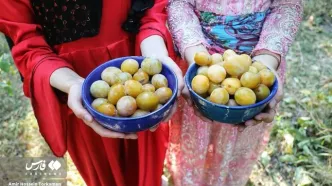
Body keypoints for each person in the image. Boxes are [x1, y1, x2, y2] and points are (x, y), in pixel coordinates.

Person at [0, 0, 184, 185]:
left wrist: (156, 53)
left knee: (148, 158)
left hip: (137, 59)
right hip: (75, 85)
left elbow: (151, 7)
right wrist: (73, 84)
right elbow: (28, 46)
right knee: (103, 169)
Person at [166, 0, 303, 185]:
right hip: (200, 64)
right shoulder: (201, 72)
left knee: (236, 145)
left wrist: (267, 60)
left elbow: (287, 5)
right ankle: (188, 180)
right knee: (194, 142)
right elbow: (179, 3)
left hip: (258, 63)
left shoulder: (258, 76)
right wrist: (195, 54)